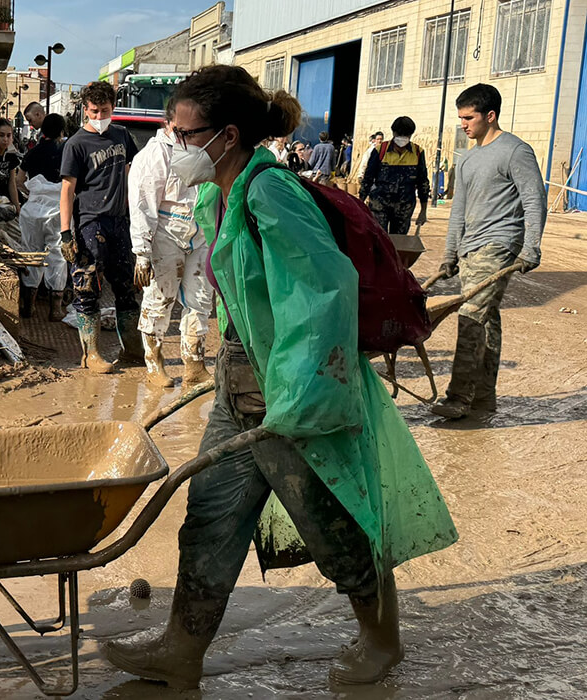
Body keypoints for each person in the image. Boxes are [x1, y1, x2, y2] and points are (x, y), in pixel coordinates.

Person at [102, 64, 457, 690]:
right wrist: (227, 369)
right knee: (208, 519)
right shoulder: (217, 196)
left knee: (331, 524)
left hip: (286, 391)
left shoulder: (271, 192)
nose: (174, 147)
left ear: (228, 134)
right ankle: (182, 649)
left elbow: (323, 290)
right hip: (239, 381)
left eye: (184, 135)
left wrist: (297, 394)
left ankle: (382, 640)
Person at [433, 83, 547, 419]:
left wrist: (531, 247)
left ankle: (457, 398)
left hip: (498, 245)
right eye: (461, 118)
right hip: (470, 250)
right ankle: (483, 398)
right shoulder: (468, 159)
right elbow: (458, 210)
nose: (463, 124)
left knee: (470, 316)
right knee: (486, 322)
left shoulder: (515, 151)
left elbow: (534, 199)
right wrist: (450, 254)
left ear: (490, 115)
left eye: (469, 118)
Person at [127, 102, 213, 388]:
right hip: (165, 234)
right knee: (160, 299)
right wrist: (142, 252)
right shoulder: (153, 156)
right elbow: (142, 206)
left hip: (199, 233)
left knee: (200, 300)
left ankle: (194, 363)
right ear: (168, 122)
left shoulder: (198, 149)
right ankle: (154, 362)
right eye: (180, 127)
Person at [59, 81, 141, 373]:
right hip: (90, 223)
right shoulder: (76, 144)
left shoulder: (121, 135)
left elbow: (134, 171)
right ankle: (90, 354)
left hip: (120, 221)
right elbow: (67, 190)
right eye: (94, 111)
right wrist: (66, 233)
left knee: (126, 287)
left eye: (104, 110)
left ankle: (132, 349)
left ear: (113, 108)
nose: (99, 115)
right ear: (86, 110)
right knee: (87, 287)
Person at [16, 113, 68, 321]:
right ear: (62, 132)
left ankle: (29, 307)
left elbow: (20, 180)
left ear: (42, 131)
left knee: (31, 253)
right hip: (58, 210)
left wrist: (33, 194)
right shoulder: (66, 152)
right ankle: (55, 310)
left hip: (32, 211)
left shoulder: (32, 152)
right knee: (58, 255)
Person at [359, 116, 430, 235]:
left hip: (404, 208)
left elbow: (423, 182)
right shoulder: (380, 151)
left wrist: (423, 211)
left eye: (406, 135)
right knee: (379, 240)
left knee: (398, 243)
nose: (402, 138)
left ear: (411, 135)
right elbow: (368, 178)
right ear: (393, 133)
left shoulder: (418, 153)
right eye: (399, 134)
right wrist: (360, 202)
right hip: (379, 206)